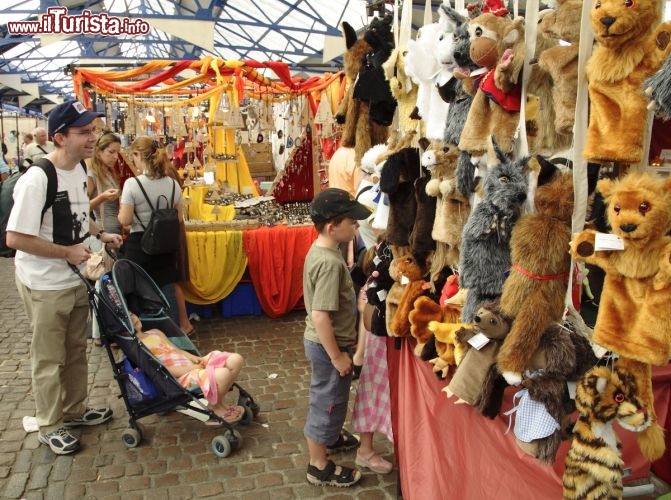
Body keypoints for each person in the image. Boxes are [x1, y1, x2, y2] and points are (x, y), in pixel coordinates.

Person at [6, 100, 123, 455]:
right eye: (84, 132)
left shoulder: (78, 169)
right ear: (59, 137)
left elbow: (75, 212)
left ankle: (74, 411)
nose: (92, 138)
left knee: (75, 351)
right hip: (44, 283)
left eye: (93, 130)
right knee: (48, 357)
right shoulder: (38, 178)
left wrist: (99, 234)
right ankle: (49, 423)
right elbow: (15, 238)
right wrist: (67, 253)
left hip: (74, 279)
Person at [303, 187, 372, 488]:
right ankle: (318, 464)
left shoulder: (322, 250)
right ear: (333, 227)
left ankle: (328, 436)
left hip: (326, 343)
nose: (357, 226)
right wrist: (338, 356)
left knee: (330, 399)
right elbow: (320, 315)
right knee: (328, 402)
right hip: (328, 347)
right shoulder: (330, 263)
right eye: (352, 222)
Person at [129, 313, 244, 423]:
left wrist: (196, 358)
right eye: (128, 318)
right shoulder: (137, 349)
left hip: (192, 365)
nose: (133, 318)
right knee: (223, 374)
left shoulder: (155, 332)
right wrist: (192, 368)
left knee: (236, 359)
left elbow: (176, 349)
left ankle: (220, 403)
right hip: (180, 377)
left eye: (132, 314)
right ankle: (215, 407)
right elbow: (165, 370)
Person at [118, 136, 183, 326]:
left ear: (138, 155)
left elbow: (126, 220)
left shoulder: (133, 184)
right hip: (166, 247)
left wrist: (121, 215)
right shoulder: (172, 184)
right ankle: (173, 336)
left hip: (140, 246)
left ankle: (146, 339)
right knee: (167, 291)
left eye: (134, 156)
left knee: (139, 294)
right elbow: (178, 218)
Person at [351, 242, 394, 475]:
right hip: (379, 338)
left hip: (388, 337)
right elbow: (366, 311)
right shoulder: (383, 254)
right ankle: (365, 450)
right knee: (373, 389)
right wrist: (359, 352)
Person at [87, 131, 123, 346]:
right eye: (111, 152)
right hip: (102, 232)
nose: (115, 157)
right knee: (105, 283)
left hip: (111, 230)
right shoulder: (91, 173)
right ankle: (104, 333)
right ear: (99, 151)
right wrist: (101, 197)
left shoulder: (106, 170)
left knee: (109, 282)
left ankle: (106, 330)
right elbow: (82, 208)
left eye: (117, 153)